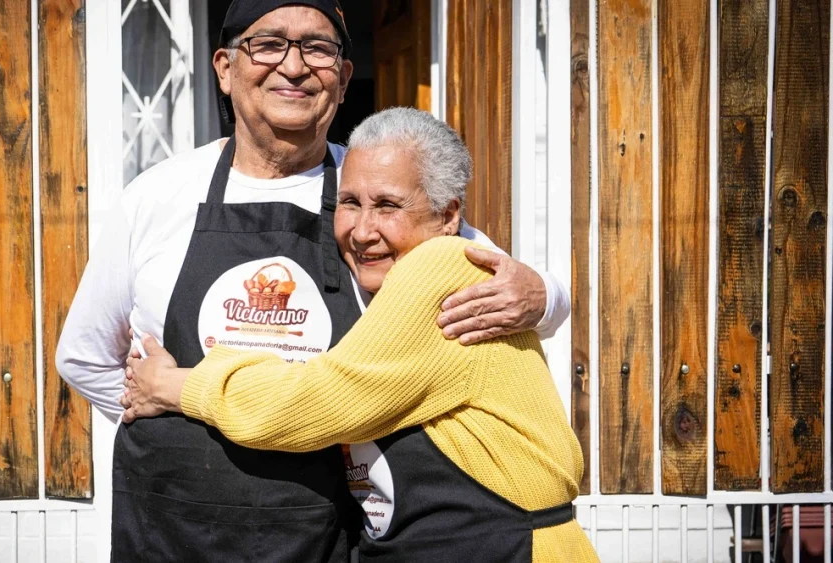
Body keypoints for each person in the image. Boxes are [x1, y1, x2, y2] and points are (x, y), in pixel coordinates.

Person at [56, 1, 570, 561]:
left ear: (344, 78)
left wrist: (544, 293)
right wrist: (171, 430)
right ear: (225, 69)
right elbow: (84, 356)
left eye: (318, 48)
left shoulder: (371, 180)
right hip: (175, 530)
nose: (294, 66)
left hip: (319, 531)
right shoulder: (156, 197)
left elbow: (500, 282)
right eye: (269, 44)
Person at [120, 108, 598, 562]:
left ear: (449, 216)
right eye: (349, 202)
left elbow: (316, 401)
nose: (363, 230)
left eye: (388, 206)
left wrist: (175, 385)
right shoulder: (160, 192)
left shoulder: (442, 267)